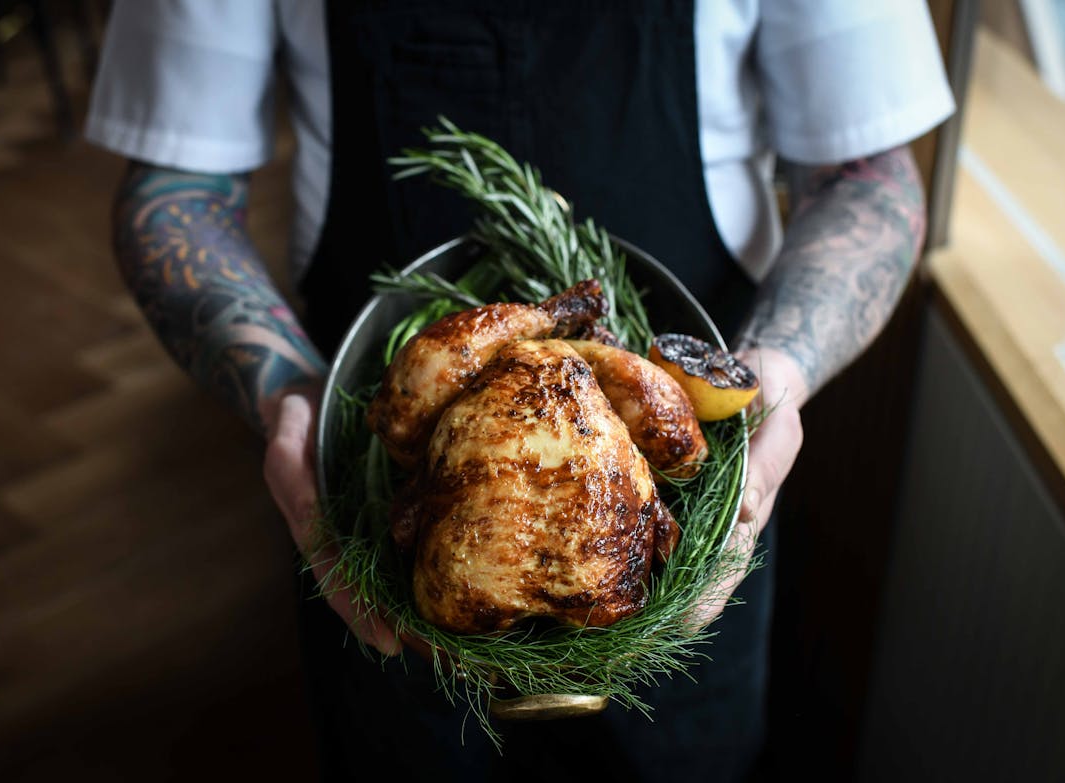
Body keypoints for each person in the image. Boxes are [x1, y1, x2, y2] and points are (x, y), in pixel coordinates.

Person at [85, 1, 954, 780]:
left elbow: (867, 175)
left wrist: (777, 371)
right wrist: (291, 397)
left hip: (701, 526)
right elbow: (175, 188)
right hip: (361, 491)